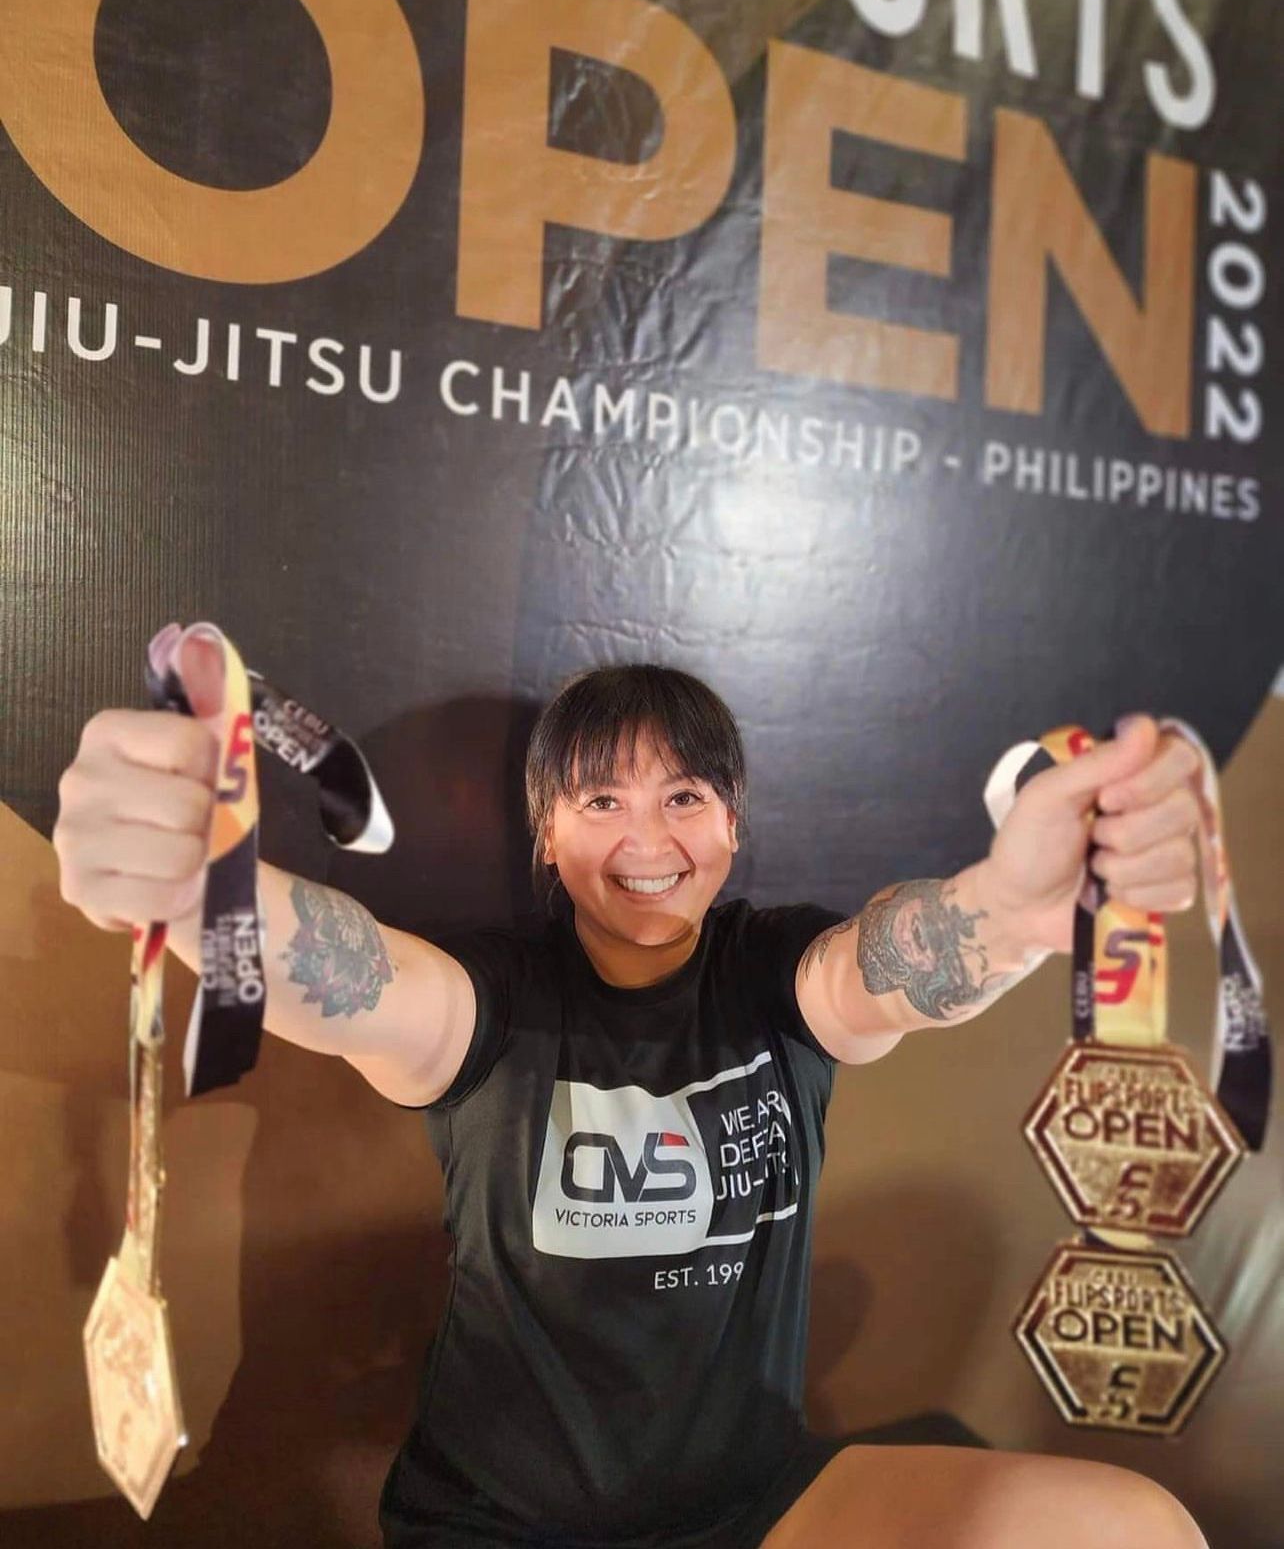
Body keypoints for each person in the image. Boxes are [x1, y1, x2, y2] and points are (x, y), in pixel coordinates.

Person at [54, 637, 1210, 1548]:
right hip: (500, 1529)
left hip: (755, 1511)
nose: (647, 837)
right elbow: (359, 982)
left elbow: (896, 969)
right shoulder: (490, 997)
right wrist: (212, 896)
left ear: (731, 826)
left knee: (1137, 1526)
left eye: (686, 796)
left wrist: (1017, 909)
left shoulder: (778, 973)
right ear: (545, 838)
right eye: (600, 801)